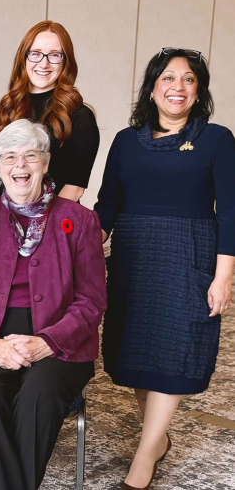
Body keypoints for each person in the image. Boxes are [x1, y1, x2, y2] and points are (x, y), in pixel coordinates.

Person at [95, 48, 235, 489]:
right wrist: (77, 255)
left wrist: (224, 276)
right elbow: (107, 206)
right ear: (152, 89)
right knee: (135, 353)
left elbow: (230, 212)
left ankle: (144, 459)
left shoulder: (216, 139)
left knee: (175, 351)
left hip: (189, 256)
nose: (178, 87)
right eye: (168, 78)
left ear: (199, 91)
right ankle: (157, 439)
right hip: (134, 258)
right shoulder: (124, 140)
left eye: (189, 79)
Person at [0, 119, 106, 490]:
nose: (20, 166)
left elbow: (91, 300)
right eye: (10, 157)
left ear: (46, 162)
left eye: (31, 156)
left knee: (39, 396)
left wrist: (46, 342)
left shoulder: (79, 220)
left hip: (59, 342)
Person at [0, 20, 99, 203]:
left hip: (55, 225)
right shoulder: (4, 113)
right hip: (4, 223)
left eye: (54, 55)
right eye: (35, 54)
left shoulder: (80, 117)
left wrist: (41, 227)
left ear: (65, 61)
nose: (44, 64)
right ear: (23, 58)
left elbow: (74, 188)